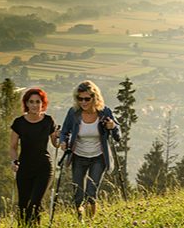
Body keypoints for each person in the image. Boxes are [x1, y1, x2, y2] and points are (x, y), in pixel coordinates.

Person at [58, 80, 120, 220]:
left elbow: (118, 135)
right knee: (78, 193)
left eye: (87, 99)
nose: (83, 102)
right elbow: (65, 131)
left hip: (99, 157)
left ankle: (90, 221)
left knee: (91, 192)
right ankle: (80, 219)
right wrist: (63, 141)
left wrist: (113, 127)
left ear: (95, 98)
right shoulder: (74, 113)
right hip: (78, 156)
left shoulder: (105, 112)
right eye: (80, 99)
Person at [9, 87, 59, 226]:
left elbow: (56, 144)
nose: (35, 105)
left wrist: (59, 138)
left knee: (35, 204)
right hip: (24, 168)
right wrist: (14, 161)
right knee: (23, 207)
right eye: (31, 102)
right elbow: (13, 147)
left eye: (38, 102)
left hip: (44, 167)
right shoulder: (19, 123)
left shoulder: (48, 121)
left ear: (43, 103)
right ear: (26, 104)